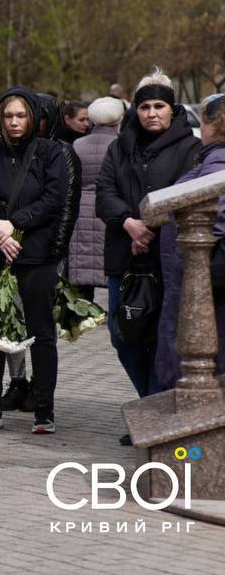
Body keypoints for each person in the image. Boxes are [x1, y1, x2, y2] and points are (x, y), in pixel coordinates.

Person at [0, 88, 68, 433]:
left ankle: (44, 409)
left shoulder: (50, 152)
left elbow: (54, 199)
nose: (13, 122)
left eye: (20, 115)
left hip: (35, 254)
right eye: (8, 115)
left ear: (33, 118)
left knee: (41, 332)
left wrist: (17, 223)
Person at [96, 69, 199, 397]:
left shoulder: (190, 148)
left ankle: (156, 410)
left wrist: (150, 227)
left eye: (158, 106)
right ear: (135, 110)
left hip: (165, 257)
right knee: (121, 333)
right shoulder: (120, 147)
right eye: (145, 107)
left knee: (160, 337)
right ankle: (147, 402)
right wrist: (130, 223)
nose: (151, 113)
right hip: (124, 255)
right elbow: (104, 193)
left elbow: (188, 194)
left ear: (172, 109)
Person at [156, 93, 225, 393]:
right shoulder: (210, 158)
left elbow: (215, 215)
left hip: (203, 274)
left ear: (211, 124)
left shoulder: (217, 162)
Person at [67, 97, 125, 303]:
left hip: (81, 210)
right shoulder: (120, 144)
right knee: (108, 263)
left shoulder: (78, 144)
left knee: (84, 263)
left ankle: (84, 309)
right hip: (108, 208)